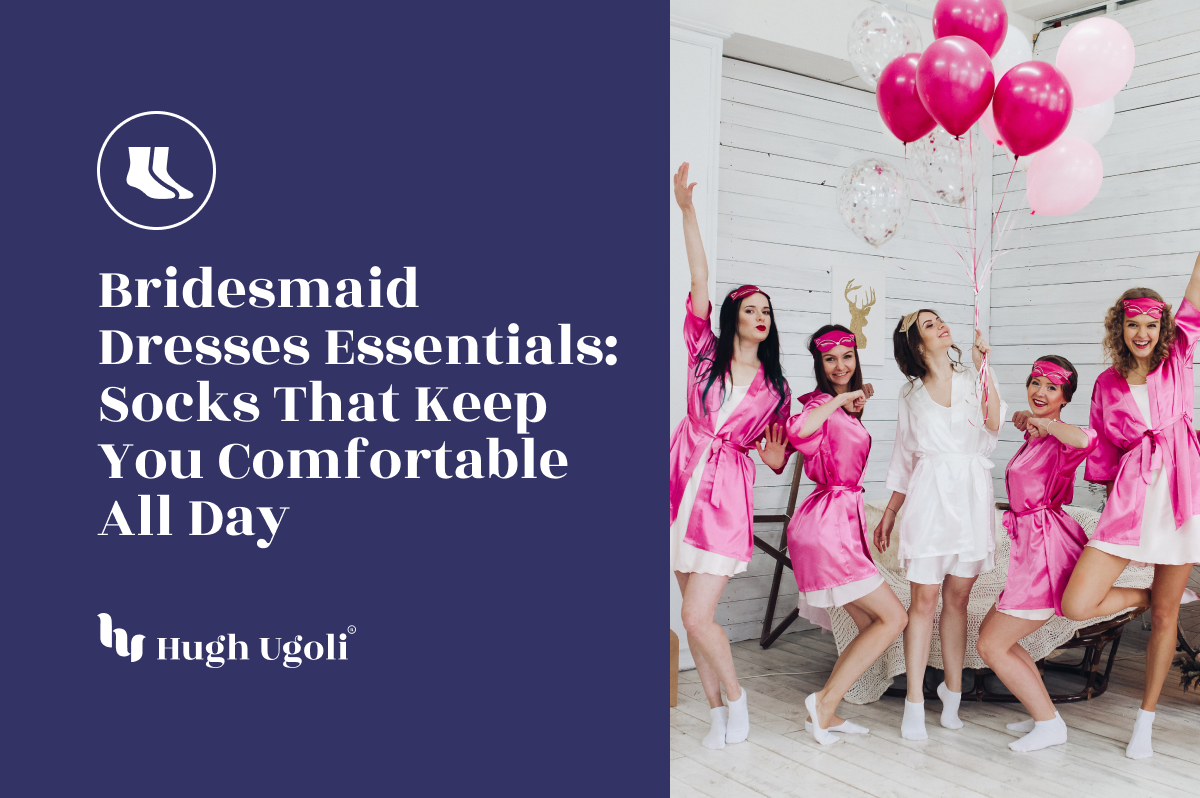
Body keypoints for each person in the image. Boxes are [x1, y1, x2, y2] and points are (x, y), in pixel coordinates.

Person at [670, 163, 795, 749]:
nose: (760, 315)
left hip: (723, 500)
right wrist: (687, 211)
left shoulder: (776, 389)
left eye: (766, 310)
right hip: (679, 484)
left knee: (699, 616)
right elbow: (699, 278)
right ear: (732, 318)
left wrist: (773, 459)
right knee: (686, 613)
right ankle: (715, 711)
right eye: (750, 308)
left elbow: (778, 452)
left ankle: (737, 699)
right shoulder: (704, 355)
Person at [1061, 257, 1200, 760]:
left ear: (1163, 327)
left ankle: (1145, 720)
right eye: (1133, 323)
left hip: (1183, 496)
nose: (1142, 332)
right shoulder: (1105, 384)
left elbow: (1194, 294)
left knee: (1168, 619)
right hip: (1132, 497)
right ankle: (1145, 598)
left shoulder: (1178, 359)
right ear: (1120, 327)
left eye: (1150, 323)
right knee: (1076, 603)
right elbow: (1100, 454)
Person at [874, 309, 1004, 741]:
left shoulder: (974, 376)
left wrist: (985, 365)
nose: (941, 326)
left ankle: (952, 693)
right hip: (929, 500)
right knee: (923, 601)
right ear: (915, 343)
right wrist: (890, 512)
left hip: (970, 497)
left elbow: (993, 423)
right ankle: (914, 701)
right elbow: (903, 459)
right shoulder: (909, 395)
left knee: (958, 599)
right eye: (929, 325)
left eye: (939, 320)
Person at [786, 326, 908, 745]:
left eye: (847, 357)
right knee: (895, 617)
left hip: (840, 522)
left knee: (872, 622)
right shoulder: (820, 403)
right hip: (827, 526)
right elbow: (799, 432)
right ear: (820, 365)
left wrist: (852, 401)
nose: (840, 365)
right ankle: (822, 703)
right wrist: (839, 399)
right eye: (830, 359)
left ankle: (829, 711)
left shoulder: (845, 407)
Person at [976, 356, 1095, 752]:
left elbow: (1086, 440)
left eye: (1051, 387)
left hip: (1044, 551)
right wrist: (1033, 422)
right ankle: (1046, 713)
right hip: (1028, 548)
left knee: (991, 646)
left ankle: (1048, 725)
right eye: (1035, 383)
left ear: (1065, 397)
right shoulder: (1036, 436)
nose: (1040, 392)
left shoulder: (1062, 438)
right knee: (996, 640)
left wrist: (1044, 421)